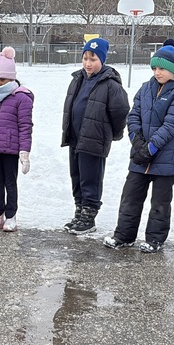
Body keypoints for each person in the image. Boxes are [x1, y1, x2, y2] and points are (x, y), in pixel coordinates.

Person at [103, 39, 174, 253]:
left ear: (173, 69)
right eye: (154, 68)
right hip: (140, 156)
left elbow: (172, 124)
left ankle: (155, 239)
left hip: (165, 158)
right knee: (130, 197)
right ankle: (124, 235)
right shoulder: (145, 89)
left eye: (162, 68)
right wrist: (138, 141)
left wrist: (151, 148)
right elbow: (133, 116)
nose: (157, 72)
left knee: (160, 203)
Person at [60, 38, 130, 235]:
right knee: (77, 177)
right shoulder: (77, 79)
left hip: (94, 139)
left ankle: (89, 217)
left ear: (102, 60)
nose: (88, 63)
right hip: (75, 138)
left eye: (93, 59)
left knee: (91, 179)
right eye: (85, 58)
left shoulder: (110, 84)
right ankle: (79, 211)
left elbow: (121, 111)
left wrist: (110, 134)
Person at [0, 47, 34, 232]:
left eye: (2, 79)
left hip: (10, 148)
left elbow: (25, 126)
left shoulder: (21, 98)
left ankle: (11, 215)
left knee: (10, 183)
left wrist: (24, 151)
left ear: (11, 78)